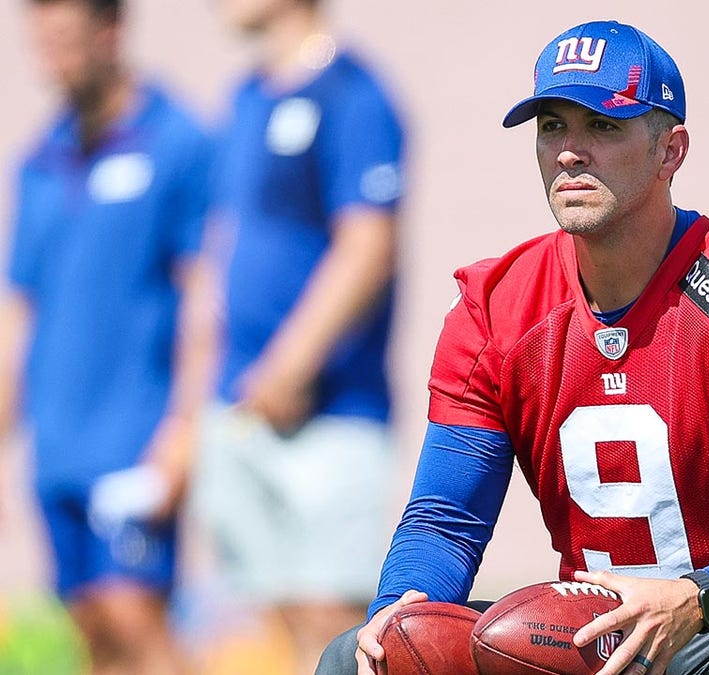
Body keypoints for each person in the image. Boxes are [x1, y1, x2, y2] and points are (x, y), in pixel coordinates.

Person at [321, 19, 709, 675]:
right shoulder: (497, 305)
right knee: (363, 653)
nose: (570, 151)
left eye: (602, 126)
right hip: (589, 641)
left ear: (670, 151)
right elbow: (445, 521)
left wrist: (699, 595)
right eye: (552, 127)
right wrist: (401, 610)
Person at [0, 0, 212, 673]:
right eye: (42, 44)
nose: (51, 61)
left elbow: (205, 293)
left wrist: (184, 429)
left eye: (64, 41)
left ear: (110, 31)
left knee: (135, 616)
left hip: (133, 435)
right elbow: (19, 313)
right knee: (91, 628)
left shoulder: (176, 140)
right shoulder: (40, 159)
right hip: (56, 443)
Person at [196, 0, 407, 672]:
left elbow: (369, 244)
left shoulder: (354, 95)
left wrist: (290, 365)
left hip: (329, 408)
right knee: (271, 615)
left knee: (332, 622)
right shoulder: (244, 99)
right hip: (242, 402)